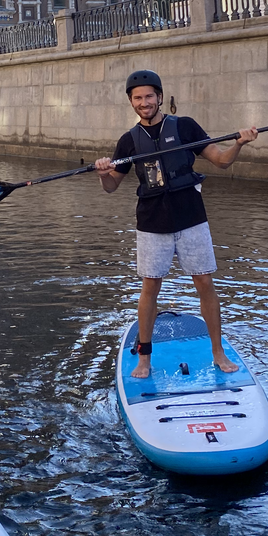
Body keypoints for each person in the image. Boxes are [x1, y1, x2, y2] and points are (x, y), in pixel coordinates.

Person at [95, 71, 258, 380]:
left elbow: (221, 160)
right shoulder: (128, 141)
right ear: (131, 102)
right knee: (150, 288)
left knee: (205, 284)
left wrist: (238, 144)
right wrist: (104, 172)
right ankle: (144, 358)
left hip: (191, 218)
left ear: (159, 97)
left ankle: (218, 351)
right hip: (152, 222)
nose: (144, 102)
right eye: (138, 98)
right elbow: (111, 187)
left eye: (149, 96)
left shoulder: (184, 127)